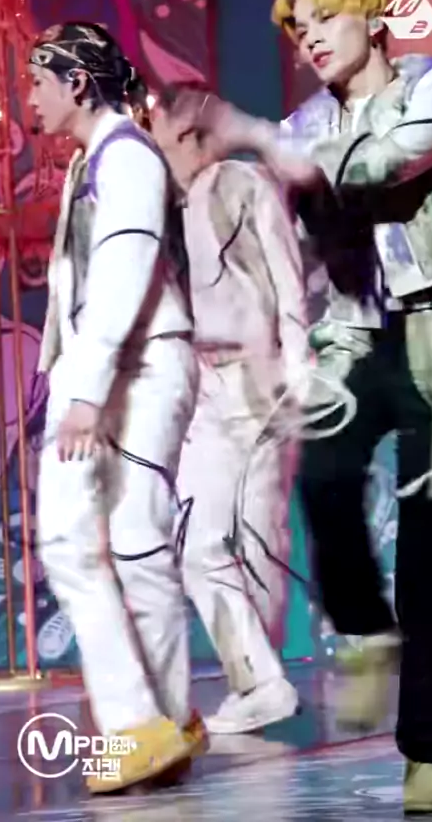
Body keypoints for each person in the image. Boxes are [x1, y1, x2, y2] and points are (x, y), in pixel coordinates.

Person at [178, 0, 432, 812]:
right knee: (324, 475)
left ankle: (427, 753)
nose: (306, 37)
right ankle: (367, 631)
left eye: (322, 18)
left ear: (373, 19)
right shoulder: (304, 124)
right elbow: (321, 242)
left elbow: (382, 163)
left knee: (428, 548)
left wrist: (259, 138)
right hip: (361, 330)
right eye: (296, 27)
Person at [29, 22, 206, 794]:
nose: (28, 98)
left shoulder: (124, 157)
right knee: (134, 548)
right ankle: (163, 723)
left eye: (38, 81)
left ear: (76, 81)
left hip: (133, 365)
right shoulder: (98, 160)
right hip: (126, 365)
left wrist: (87, 390)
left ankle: (136, 725)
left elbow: (125, 269)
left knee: (71, 539)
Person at [148, 82, 309, 734]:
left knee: (259, 537)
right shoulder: (161, 206)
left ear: (186, 128)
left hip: (258, 381)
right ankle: (259, 681)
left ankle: (264, 681)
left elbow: (287, 279)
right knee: (199, 545)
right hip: (200, 387)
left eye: (161, 125)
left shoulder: (243, 184)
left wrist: (296, 366)